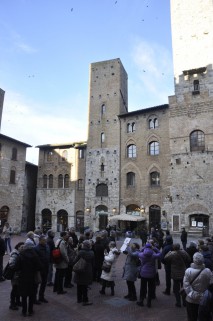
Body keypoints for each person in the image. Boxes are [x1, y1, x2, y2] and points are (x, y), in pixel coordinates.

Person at [14, 243, 42, 317]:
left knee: (24, 296)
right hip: (32, 278)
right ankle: (30, 310)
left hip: (23, 278)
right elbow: (39, 266)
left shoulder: (21, 255)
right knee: (32, 295)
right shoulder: (35, 255)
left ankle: (24, 311)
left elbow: (16, 267)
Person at [183, 252, 213, 321]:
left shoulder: (188, 271)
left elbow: (186, 286)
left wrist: (195, 295)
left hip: (191, 300)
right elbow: (211, 283)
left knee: (191, 317)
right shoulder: (207, 271)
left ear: (194, 260)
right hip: (204, 299)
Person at [164, 243, 191, 307]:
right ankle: (184, 302)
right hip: (183, 272)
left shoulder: (172, 254)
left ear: (174, 248)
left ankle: (178, 302)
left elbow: (165, 258)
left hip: (175, 273)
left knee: (176, 289)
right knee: (184, 287)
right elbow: (189, 259)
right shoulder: (184, 252)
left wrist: (169, 252)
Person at [136, 243, 161, 308]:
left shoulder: (142, 255)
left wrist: (143, 248)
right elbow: (160, 253)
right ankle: (149, 302)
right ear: (151, 248)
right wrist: (155, 248)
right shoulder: (153, 255)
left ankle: (141, 300)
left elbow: (138, 252)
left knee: (143, 287)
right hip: (152, 274)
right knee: (150, 288)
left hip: (143, 273)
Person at [73, 240, 94, 306]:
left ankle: (79, 299)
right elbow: (93, 262)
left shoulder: (80, 252)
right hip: (88, 270)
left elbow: (75, 260)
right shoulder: (92, 252)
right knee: (85, 286)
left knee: (79, 285)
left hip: (80, 269)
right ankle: (85, 300)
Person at [8, 242, 24, 310]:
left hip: (18, 274)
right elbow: (11, 264)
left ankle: (17, 301)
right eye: (21, 247)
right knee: (14, 289)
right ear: (18, 247)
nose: (23, 248)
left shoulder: (20, 253)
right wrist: (18, 268)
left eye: (24, 247)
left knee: (18, 288)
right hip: (15, 275)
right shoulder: (15, 254)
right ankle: (12, 304)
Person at [34, 235, 50, 303]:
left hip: (46, 268)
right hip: (39, 269)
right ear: (40, 240)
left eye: (45, 240)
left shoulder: (47, 246)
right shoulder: (36, 248)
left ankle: (41, 297)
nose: (45, 241)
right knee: (36, 284)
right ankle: (34, 298)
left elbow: (48, 255)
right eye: (44, 240)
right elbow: (35, 259)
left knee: (44, 283)